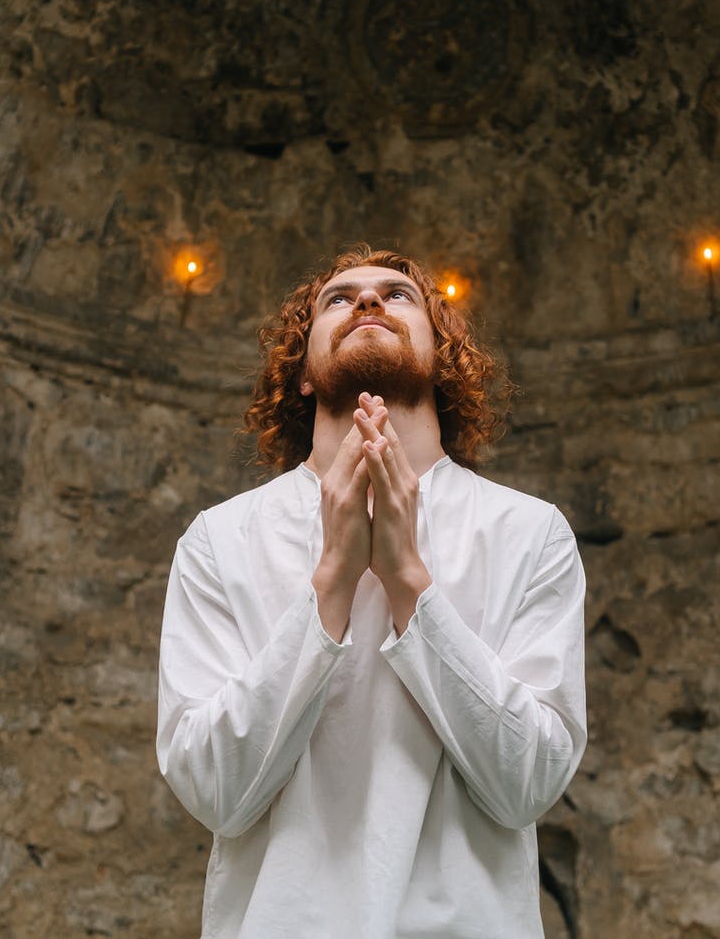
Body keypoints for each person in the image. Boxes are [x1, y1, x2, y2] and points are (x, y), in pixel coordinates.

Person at [155, 244, 588, 938]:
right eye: (339, 298)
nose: (367, 301)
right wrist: (331, 579)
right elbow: (214, 792)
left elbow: (529, 785)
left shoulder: (529, 533)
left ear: (442, 360)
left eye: (397, 294)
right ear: (302, 374)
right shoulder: (220, 539)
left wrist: (408, 580)